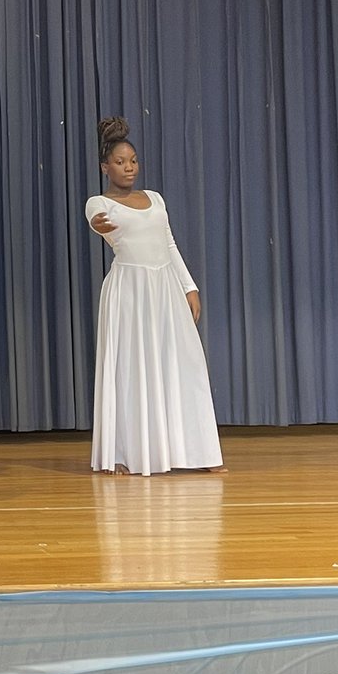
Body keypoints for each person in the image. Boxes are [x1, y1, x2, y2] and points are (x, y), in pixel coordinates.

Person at [85, 117, 226, 476]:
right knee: (130, 371)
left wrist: (189, 286)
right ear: (105, 167)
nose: (128, 167)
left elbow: (169, 244)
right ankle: (122, 454)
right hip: (129, 293)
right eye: (120, 162)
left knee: (186, 365)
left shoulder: (156, 199)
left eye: (132, 161)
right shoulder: (98, 202)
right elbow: (96, 221)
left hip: (165, 289)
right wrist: (97, 222)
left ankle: (200, 454)